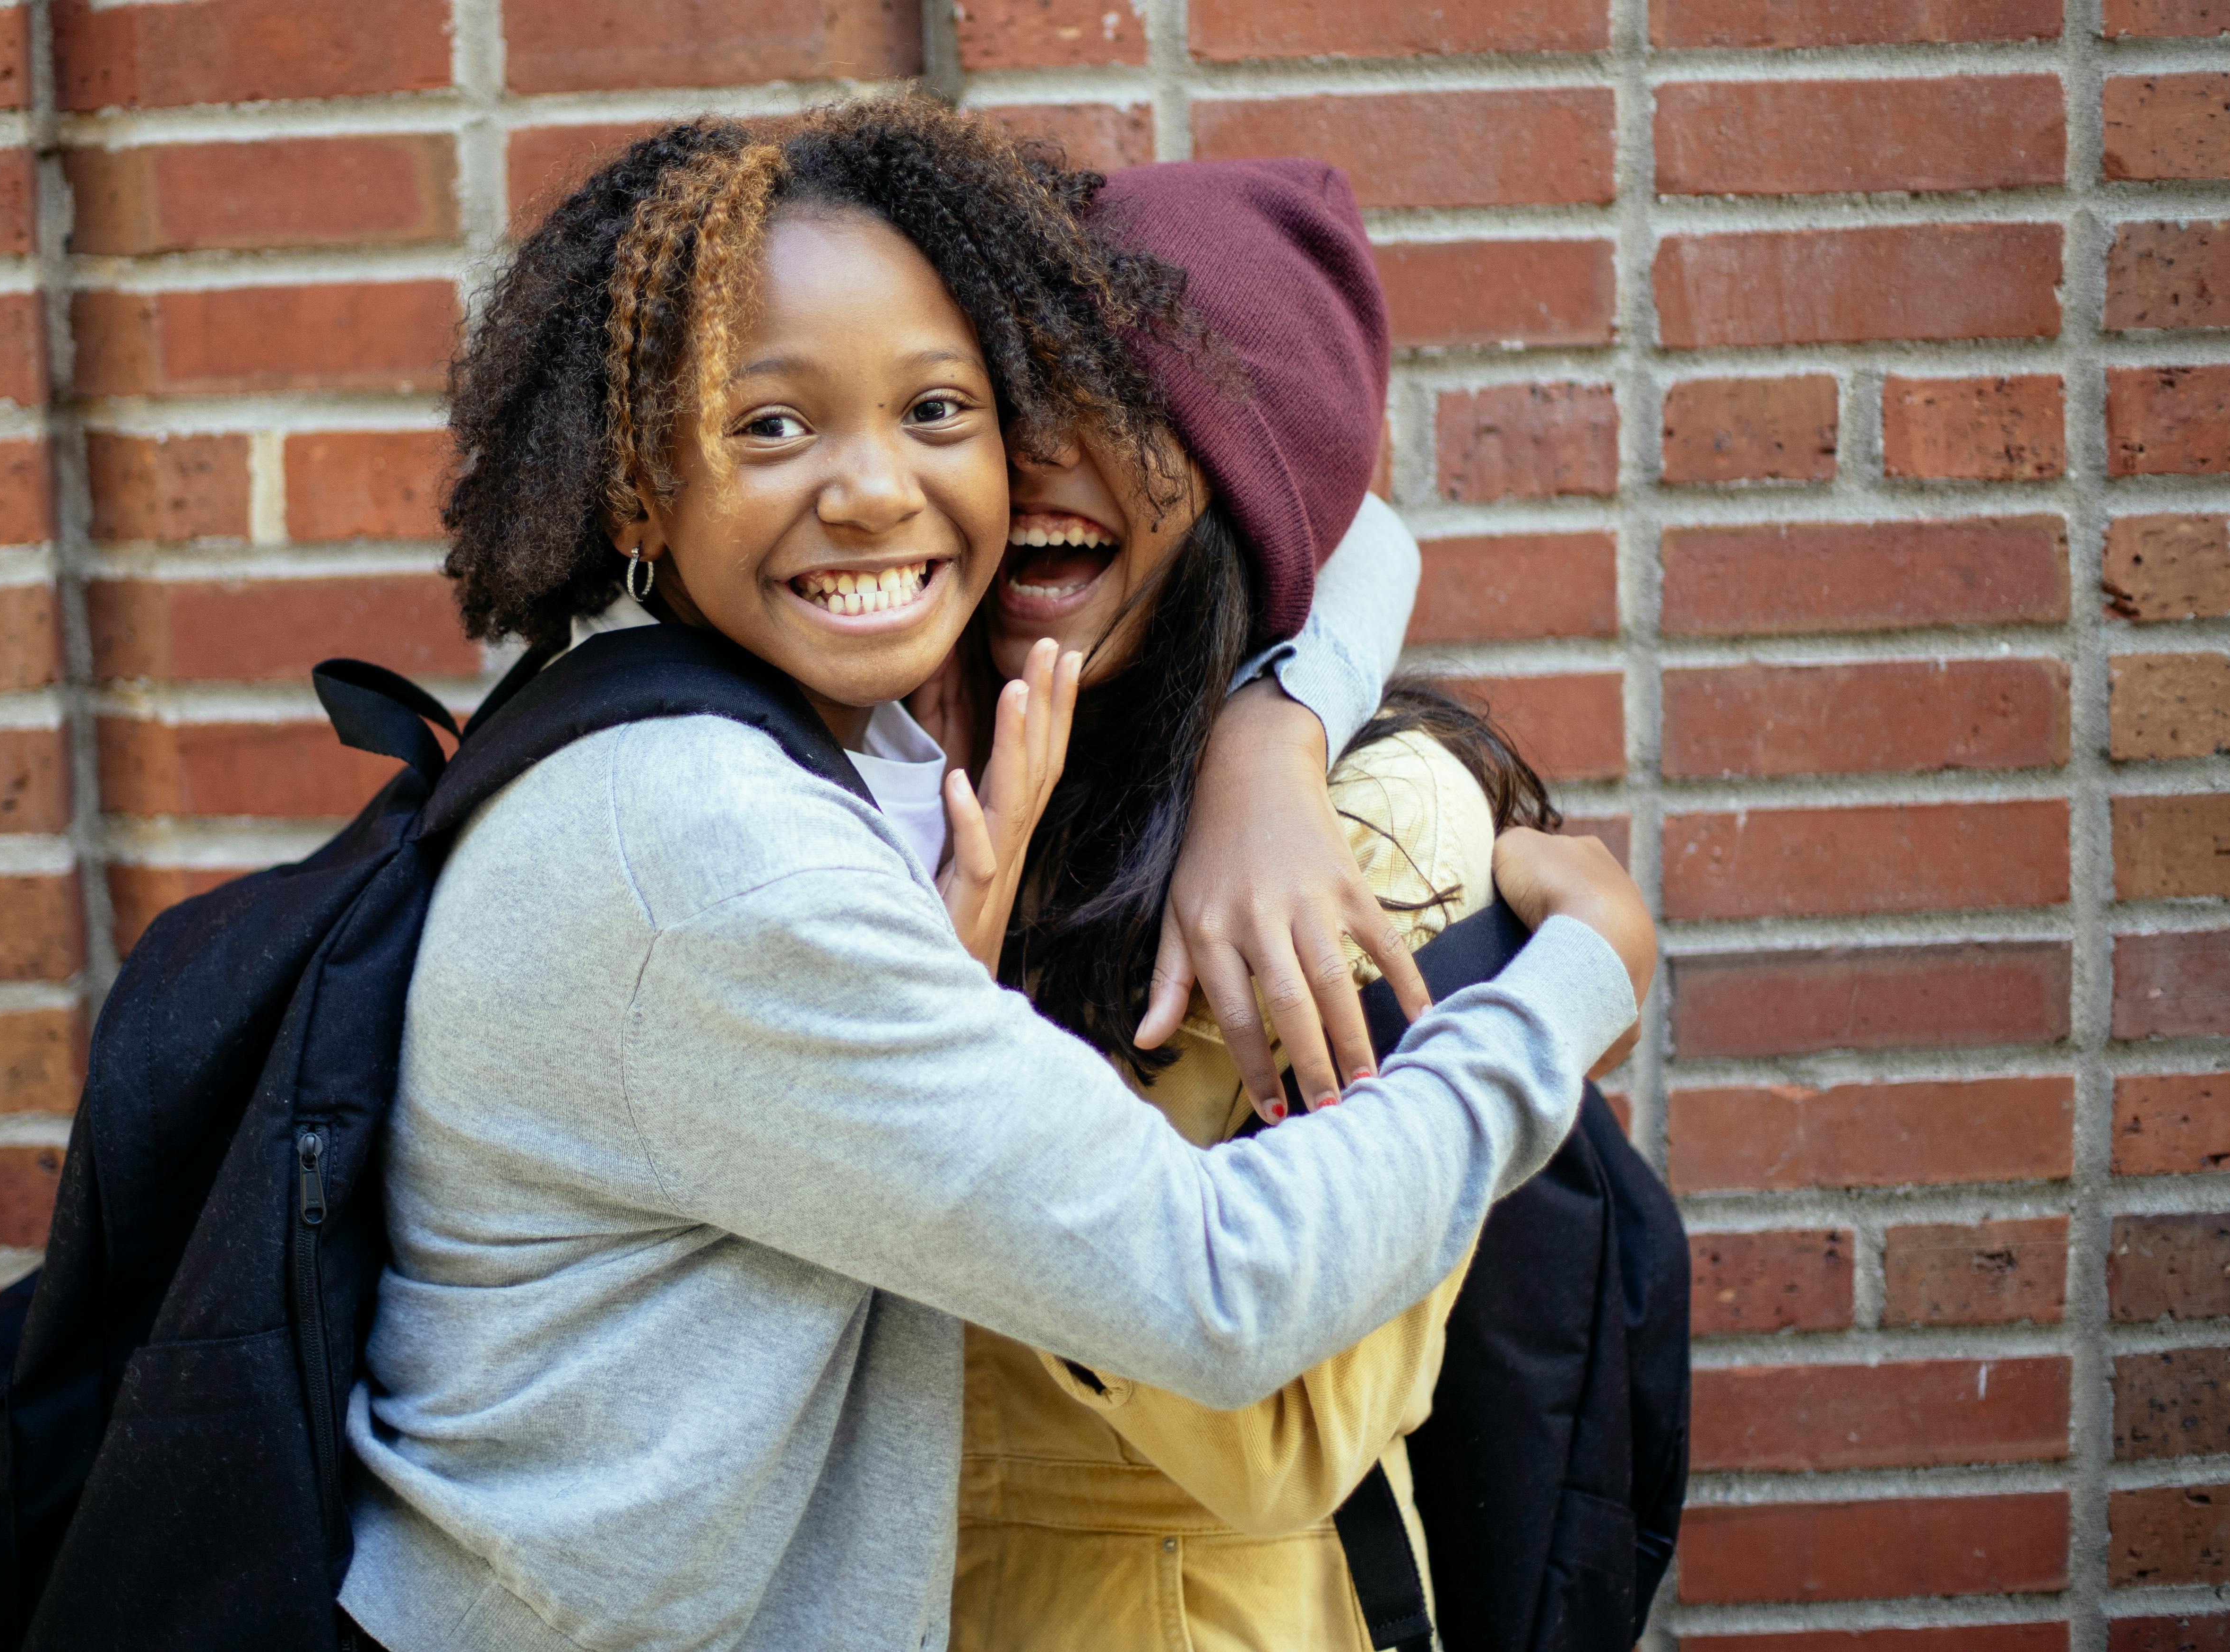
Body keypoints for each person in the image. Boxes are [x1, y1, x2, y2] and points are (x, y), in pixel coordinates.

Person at [341, 102, 1651, 1652]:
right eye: (774, 423)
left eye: (938, 408)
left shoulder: (1318, 825)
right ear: (637, 483)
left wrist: (1274, 727)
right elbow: (1208, 1281)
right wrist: (1581, 983)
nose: (953, 476)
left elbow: (1338, 499)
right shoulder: (769, 814)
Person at [947, 159, 1591, 1650]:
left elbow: (1281, 1429)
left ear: (1243, 464)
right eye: (993, 392)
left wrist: (965, 1039)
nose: (1037, 448)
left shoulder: (1371, 831)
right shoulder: (910, 768)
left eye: (1117, 399)